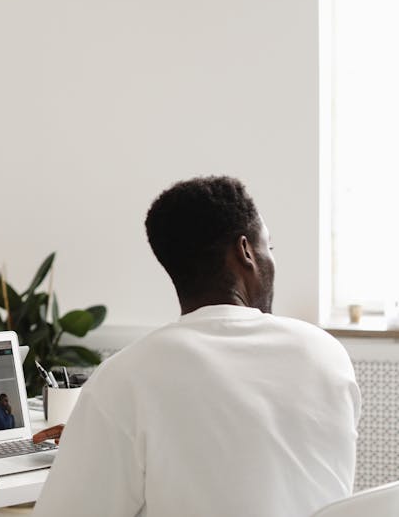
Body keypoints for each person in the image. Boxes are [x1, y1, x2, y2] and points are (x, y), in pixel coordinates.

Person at [32, 176, 360, 517]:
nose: (271, 260)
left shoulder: (127, 378)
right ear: (246, 251)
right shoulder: (325, 353)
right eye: (270, 248)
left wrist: (95, 442)